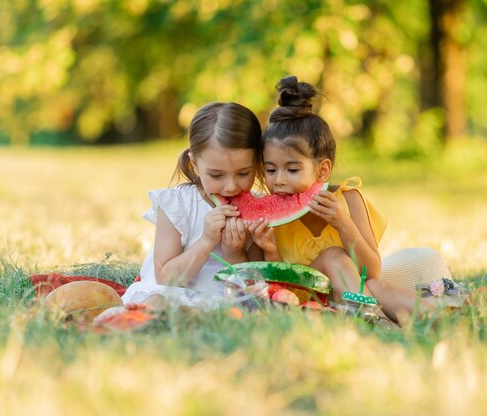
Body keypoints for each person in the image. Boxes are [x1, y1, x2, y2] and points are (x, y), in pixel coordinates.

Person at [248, 76, 464, 324]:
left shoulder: (349, 199)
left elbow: (370, 271)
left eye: (292, 170)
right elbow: (268, 284)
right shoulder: (266, 217)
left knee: (379, 286)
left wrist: (343, 223)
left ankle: (440, 321)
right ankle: (378, 322)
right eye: (271, 170)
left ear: (322, 171)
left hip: (358, 293)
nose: (279, 181)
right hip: (309, 301)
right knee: (334, 257)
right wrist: (270, 250)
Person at [121, 102, 263, 310]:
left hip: (226, 301)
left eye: (243, 174)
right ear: (194, 164)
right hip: (174, 295)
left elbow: (254, 285)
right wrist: (206, 241)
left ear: (257, 162)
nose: (231, 186)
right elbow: (165, 277)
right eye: (216, 175)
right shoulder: (177, 205)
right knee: (157, 303)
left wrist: (236, 253)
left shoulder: (257, 210)